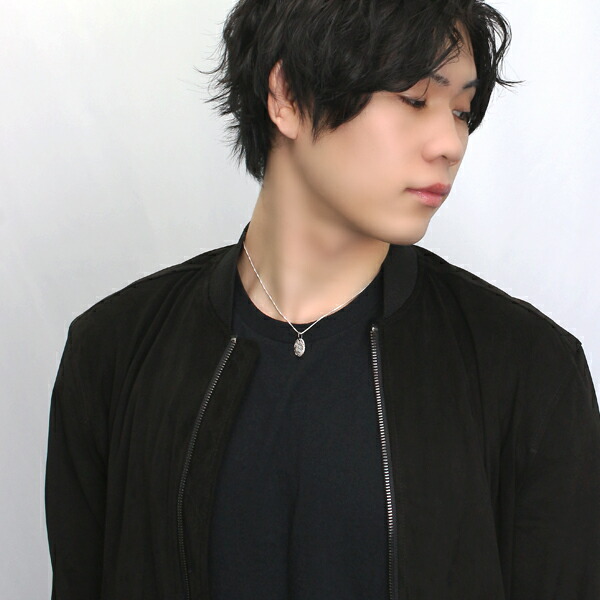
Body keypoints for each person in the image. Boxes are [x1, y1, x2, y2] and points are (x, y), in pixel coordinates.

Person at [45, 0, 600, 598]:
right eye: (414, 99)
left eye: (462, 111)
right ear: (286, 96)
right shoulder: (115, 352)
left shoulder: (528, 371)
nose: (450, 142)